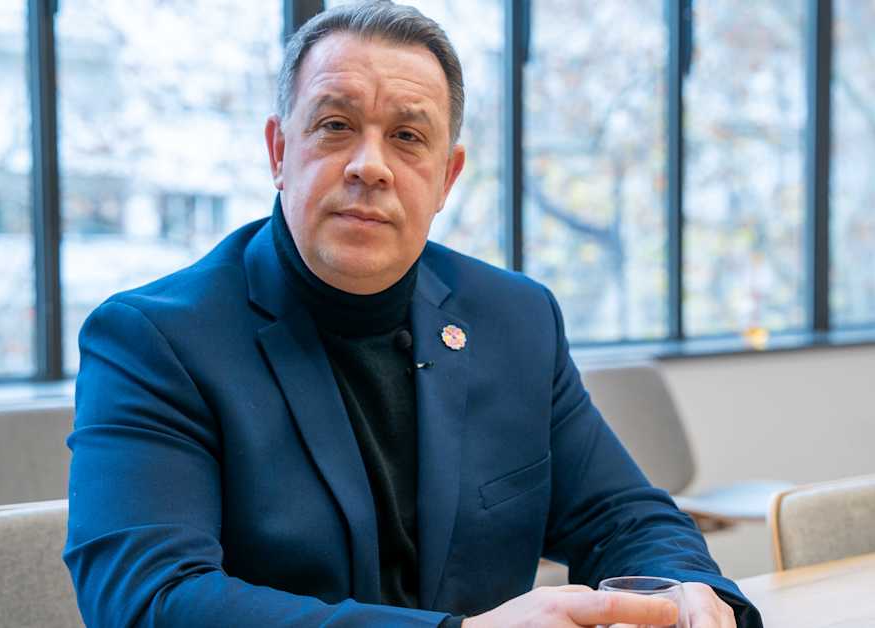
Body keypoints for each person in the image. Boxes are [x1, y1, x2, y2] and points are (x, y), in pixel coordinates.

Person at [64, 2, 762, 626]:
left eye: (406, 136)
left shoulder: (515, 319)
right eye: (335, 126)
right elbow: (149, 600)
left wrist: (690, 591)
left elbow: (620, 516)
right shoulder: (156, 340)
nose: (370, 166)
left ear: (446, 177)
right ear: (279, 152)